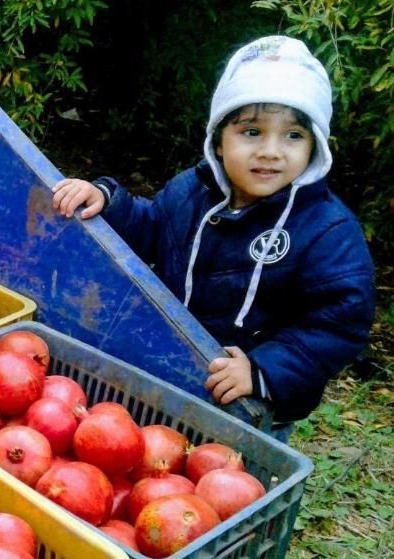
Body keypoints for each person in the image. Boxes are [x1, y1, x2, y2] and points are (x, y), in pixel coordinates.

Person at [52, 35, 375, 437]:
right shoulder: (190, 191)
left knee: (229, 473)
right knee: (156, 456)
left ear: (314, 147)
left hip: (247, 406)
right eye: (252, 132)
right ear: (219, 141)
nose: (271, 151)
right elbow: (152, 228)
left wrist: (263, 370)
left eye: (293, 135)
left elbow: (339, 322)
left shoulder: (327, 230)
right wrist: (108, 201)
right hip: (171, 372)